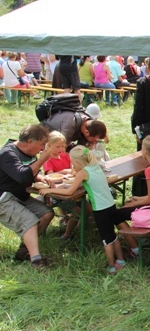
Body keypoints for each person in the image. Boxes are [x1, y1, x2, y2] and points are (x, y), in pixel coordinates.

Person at [41, 146, 131, 274]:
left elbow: (70, 191)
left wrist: (49, 190)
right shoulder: (95, 167)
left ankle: (111, 266)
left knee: (106, 239)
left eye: (72, 163)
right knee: (112, 235)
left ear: (77, 162)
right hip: (110, 205)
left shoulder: (83, 173)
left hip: (100, 209)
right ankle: (120, 260)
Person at [0, 125, 54, 268]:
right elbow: (22, 176)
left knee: (47, 213)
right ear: (30, 141)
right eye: (42, 144)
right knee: (30, 221)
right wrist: (43, 159)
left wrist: (40, 177)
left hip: (20, 196)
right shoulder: (7, 154)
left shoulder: (30, 153)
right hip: (3, 198)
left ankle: (24, 252)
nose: (43, 148)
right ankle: (36, 261)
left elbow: (31, 172)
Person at [42, 109, 107, 149]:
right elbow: (60, 149)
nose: (95, 142)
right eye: (95, 140)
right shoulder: (70, 126)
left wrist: (88, 149)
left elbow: (82, 151)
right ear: (87, 132)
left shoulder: (88, 123)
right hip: (46, 135)